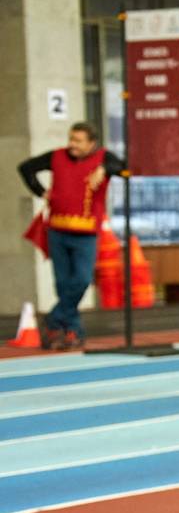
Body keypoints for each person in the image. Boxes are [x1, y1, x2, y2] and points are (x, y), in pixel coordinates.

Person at [16, 121, 124, 350]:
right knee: (63, 285)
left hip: (86, 234)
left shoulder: (104, 158)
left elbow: (123, 168)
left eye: (78, 141)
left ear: (92, 143)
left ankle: (54, 318)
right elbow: (26, 168)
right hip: (57, 230)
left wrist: (104, 169)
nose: (72, 144)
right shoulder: (57, 156)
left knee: (82, 280)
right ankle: (73, 331)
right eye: (71, 139)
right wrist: (41, 192)